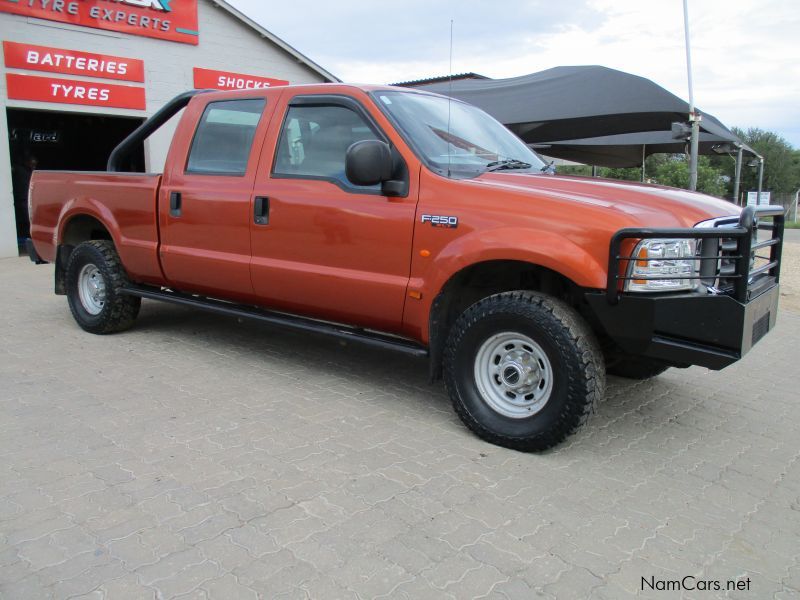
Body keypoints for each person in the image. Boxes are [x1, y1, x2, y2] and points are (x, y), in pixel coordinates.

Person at [11, 154, 37, 242]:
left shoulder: (31, 173)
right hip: (22, 199)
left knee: (29, 220)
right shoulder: (20, 170)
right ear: (26, 163)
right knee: (25, 220)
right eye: (32, 164)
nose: (33, 166)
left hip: (29, 199)